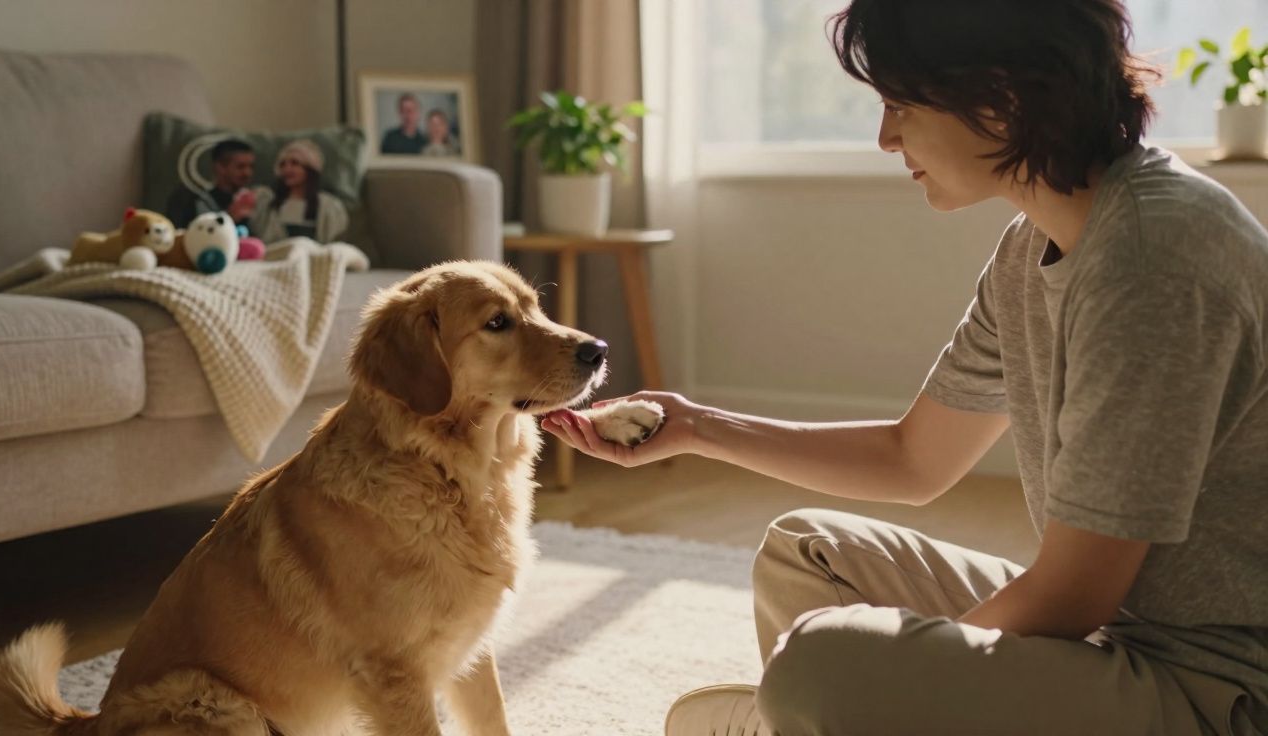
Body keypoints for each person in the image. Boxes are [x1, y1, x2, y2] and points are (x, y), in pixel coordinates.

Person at [543, 1, 1268, 734]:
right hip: (1116, 642)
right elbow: (914, 458)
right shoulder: (1032, 248)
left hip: (1217, 689)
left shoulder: (1151, 261)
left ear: (1000, 94)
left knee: (827, 662)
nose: (886, 137)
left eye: (900, 105)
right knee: (808, 555)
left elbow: (1074, 597)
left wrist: (917, 670)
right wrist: (698, 427)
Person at [249, 139, 348, 244]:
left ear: (309, 169)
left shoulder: (328, 206)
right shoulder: (267, 203)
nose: (287, 169)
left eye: (294, 163)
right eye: (283, 164)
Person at [165, 138, 257, 231]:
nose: (248, 173)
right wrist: (229, 218)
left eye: (251, 167)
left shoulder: (258, 201)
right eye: (240, 167)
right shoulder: (193, 203)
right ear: (220, 167)